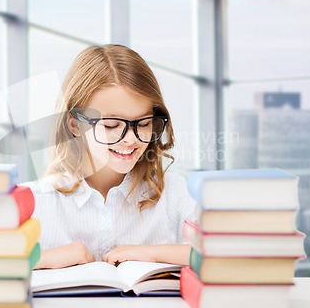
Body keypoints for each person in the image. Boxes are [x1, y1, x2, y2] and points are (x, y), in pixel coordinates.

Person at [25, 44, 196, 269]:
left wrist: (154, 254)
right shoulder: (36, 201)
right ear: (75, 125)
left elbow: (227, 253)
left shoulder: (173, 193)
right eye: (112, 125)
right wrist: (42, 259)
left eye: (143, 123)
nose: (131, 139)